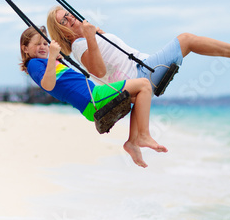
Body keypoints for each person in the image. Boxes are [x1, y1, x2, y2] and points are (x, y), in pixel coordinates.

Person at [20, 25, 167, 168]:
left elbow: (63, 81)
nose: (43, 47)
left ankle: (133, 142)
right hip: (93, 99)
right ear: (25, 48)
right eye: (37, 44)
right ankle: (142, 135)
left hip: (93, 98)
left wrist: (93, 37)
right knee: (144, 84)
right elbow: (48, 85)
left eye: (45, 43)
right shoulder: (33, 63)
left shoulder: (47, 63)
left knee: (140, 97)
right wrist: (52, 57)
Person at [46, 6, 230, 90]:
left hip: (143, 67)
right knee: (186, 40)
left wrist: (96, 35)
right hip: (140, 75)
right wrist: (91, 38)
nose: (70, 20)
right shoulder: (79, 46)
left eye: (68, 15)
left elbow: (110, 52)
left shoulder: (86, 38)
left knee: (187, 40)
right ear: (60, 31)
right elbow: (99, 72)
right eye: (63, 21)